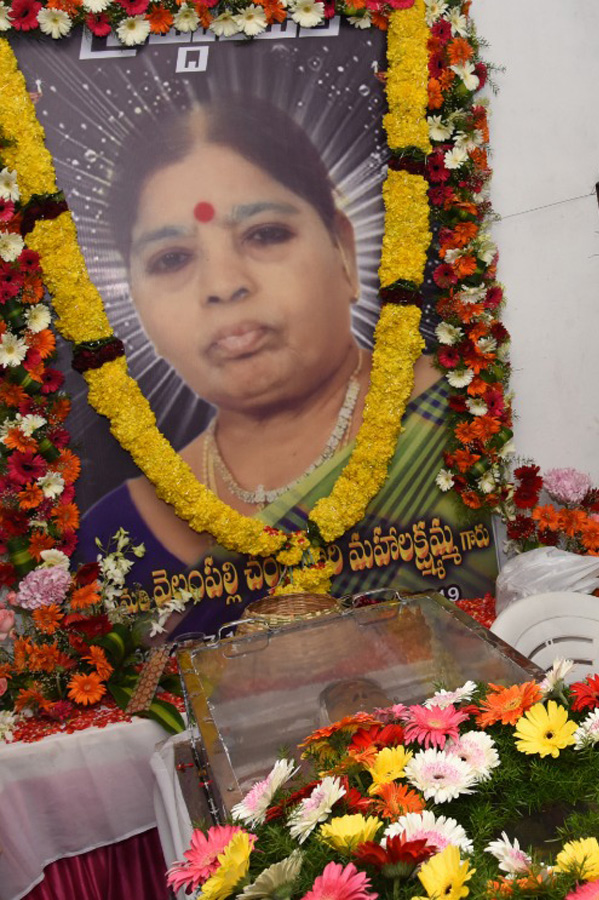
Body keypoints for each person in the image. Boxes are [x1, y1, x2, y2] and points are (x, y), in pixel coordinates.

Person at [77, 97, 498, 636]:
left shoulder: (464, 418)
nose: (225, 284)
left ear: (343, 251)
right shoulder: (117, 535)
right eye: (172, 259)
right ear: (138, 305)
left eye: (264, 234)